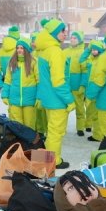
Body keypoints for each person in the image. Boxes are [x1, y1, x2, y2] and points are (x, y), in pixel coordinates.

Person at [35, 18, 75, 169]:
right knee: (55, 133)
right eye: (62, 31)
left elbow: (42, 78)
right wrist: (69, 100)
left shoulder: (43, 51)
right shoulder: (55, 51)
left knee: (51, 131)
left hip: (48, 99)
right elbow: (58, 81)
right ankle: (54, 161)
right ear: (53, 33)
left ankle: (45, 159)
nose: (65, 34)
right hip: (57, 100)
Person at [1, 37, 38, 130]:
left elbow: (39, 81)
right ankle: (19, 143)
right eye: (17, 48)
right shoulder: (12, 62)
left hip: (29, 99)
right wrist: (5, 95)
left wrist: (39, 97)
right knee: (16, 125)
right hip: (14, 99)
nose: (19, 50)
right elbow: (7, 80)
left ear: (26, 49)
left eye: (21, 48)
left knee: (29, 125)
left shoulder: (34, 62)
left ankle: (29, 144)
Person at [80, 40, 105, 141]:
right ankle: (97, 134)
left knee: (97, 115)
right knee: (92, 112)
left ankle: (98, 135)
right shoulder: (90, 60)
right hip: (91, 89)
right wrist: (88, 49)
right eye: (93, 50)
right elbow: (81, 60)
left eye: (96, 49)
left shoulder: (102, 60)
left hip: (98, 90)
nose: (94, 51)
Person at [66, 31, 87, 136]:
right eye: (72, 37)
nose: (72, 39)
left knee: (79, 108)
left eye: (75, 38)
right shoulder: (65, 52)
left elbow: (85, 71)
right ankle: (61, 127)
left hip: (77, 86)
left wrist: (83, 85)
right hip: (66, 86)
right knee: (63, 109)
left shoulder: (83, 53)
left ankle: (80, 128)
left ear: (80, 40)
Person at [0, 26, 20, 91]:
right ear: (18, 35)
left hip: (6, 84)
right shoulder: (21, 49)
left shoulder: (0, 52)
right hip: (20, 86)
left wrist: (1, 85)